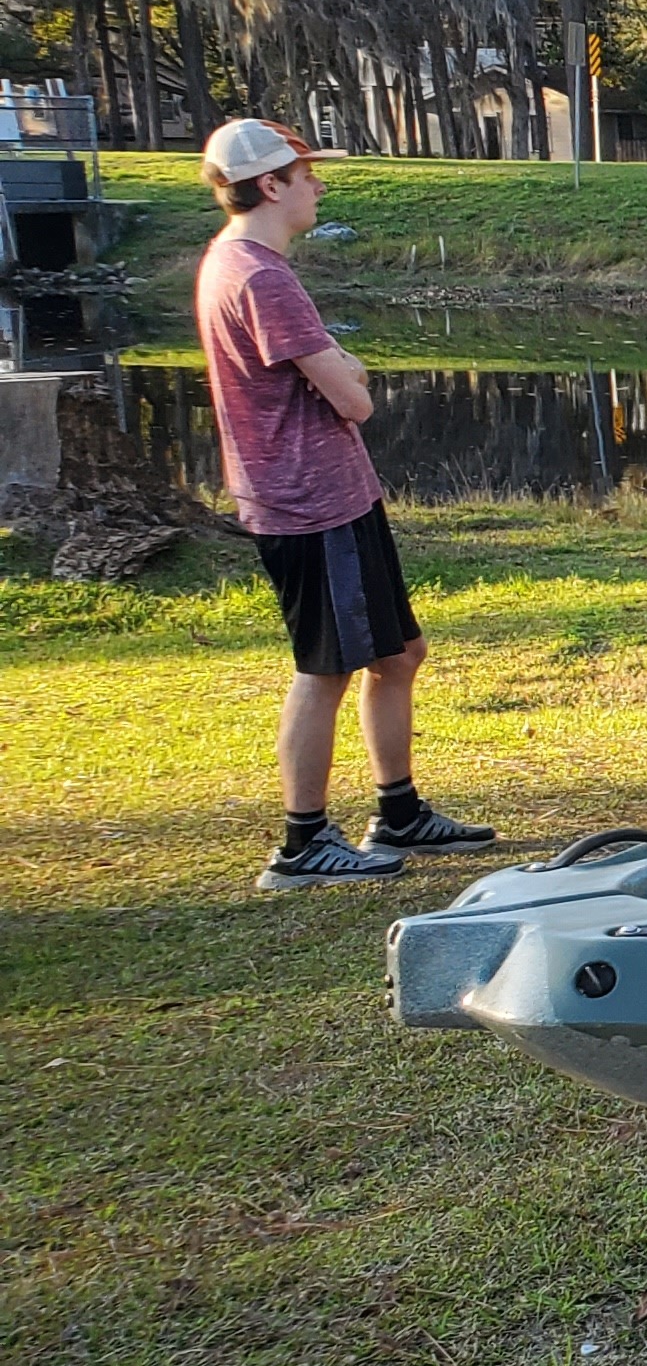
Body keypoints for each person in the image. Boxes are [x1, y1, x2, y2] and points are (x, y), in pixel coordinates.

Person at [197, 119, 495, 887]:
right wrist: (351, 372)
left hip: (334, 493)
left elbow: (334, 373)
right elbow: (353, 398)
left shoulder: (233, 264)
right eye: (305, 174)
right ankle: (302, 843)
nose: (317, 185)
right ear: (271, 186)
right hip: (308, 502)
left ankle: (399, 814)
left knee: (398, 654)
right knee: (324, 668)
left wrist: (344, 366)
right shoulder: (262, 277)